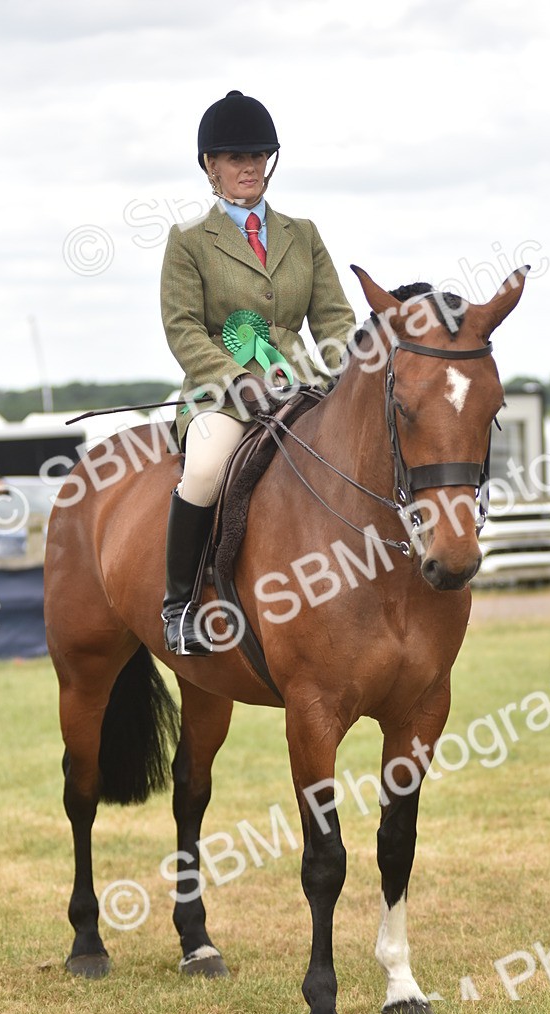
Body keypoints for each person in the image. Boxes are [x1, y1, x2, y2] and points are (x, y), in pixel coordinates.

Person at [159, 89, 357, 655]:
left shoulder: (304, 233)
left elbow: (335, 321)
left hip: (299, 386)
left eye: (258, 156)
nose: (249, 167)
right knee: (202, 469)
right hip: (223, 396)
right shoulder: (189, 242)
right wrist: (235, 380)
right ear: (210, 166)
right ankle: (180, 606)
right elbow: (184, 328)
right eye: (235, 157)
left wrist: (349, 377)